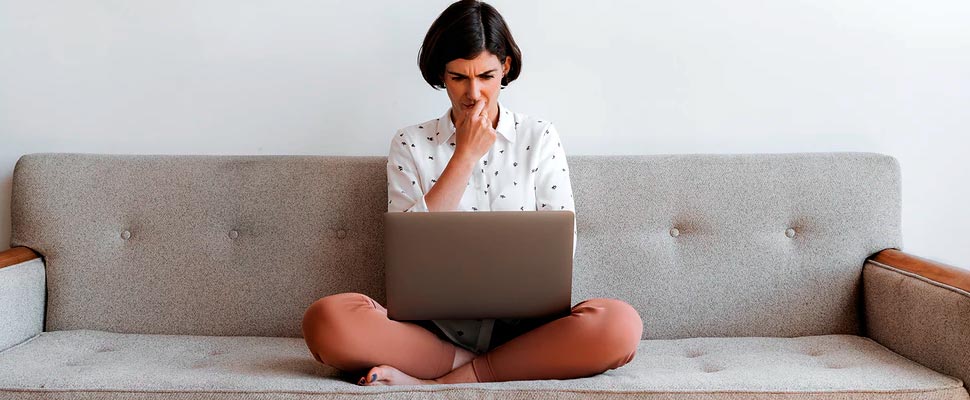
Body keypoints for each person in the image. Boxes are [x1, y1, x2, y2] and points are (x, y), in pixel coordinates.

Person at [301, 0, 642, 386]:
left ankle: (443, 381)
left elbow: (563, 251)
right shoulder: (410, 143)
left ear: (506, 68)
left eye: (486, 75)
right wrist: (464, 156)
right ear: (442, 76)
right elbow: (409, 252)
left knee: (620, 325)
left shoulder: (539, 137)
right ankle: (474, 368)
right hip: (431, 335)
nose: (474, 92)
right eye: (458, 77)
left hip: (529, 334)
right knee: (327, 321)